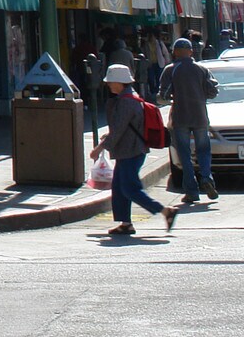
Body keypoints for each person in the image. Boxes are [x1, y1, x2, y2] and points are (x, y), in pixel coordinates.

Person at [92, 63, 174, 235]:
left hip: (131, 150)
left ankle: (165, 211)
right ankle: (126, 223)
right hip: (131, 149)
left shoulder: (126, 102)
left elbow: (118, 130)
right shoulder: (129, 98)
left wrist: (100, 148)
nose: (108, 84)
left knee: (130, 188)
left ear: (120, 83)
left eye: (111, 81)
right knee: (120, 187)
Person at [158, 37, 219, 206]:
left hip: (180, 117)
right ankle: (206, 178)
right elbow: (213, 90)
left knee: (184, 154)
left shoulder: (171, 70)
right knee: (204, 150)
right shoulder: (202, 69)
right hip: (200, 116)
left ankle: (191, 190)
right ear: (191, 52)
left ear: (175, 52)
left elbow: (163, 95)